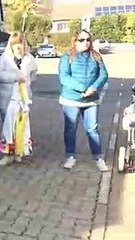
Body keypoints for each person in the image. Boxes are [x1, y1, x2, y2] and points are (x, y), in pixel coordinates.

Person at [58, 30, 109, 172]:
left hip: (91, 100)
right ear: (75, 41)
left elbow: (103, 74)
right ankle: (70, 157)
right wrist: (82, 89)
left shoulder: (96, 56)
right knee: (70, 129)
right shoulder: (67, 57)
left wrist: (94, 87)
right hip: (71, 100)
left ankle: (98, 157)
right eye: (81, 40)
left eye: (87, 39)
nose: (85, 42)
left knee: (92, 129)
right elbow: (64, 77)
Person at [0, 32, 38, 166]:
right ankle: (8, 154)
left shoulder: (30, 59)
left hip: (22, 99)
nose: (19, 47)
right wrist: (14, 78)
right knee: (7, 127)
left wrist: (26, 83)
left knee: (21, 126)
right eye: (16, 45)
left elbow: (34, 75)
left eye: (21, 44)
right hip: (7, 98)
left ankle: (19, 151)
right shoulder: (5, 58)